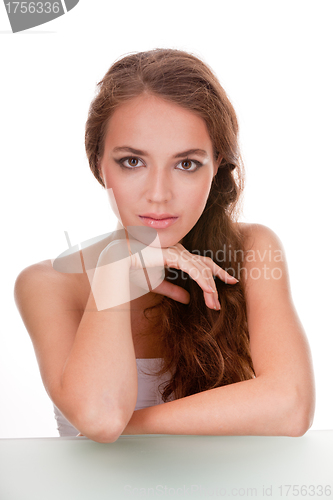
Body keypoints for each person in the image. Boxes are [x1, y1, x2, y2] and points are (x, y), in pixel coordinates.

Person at [14, 48, 315, 443]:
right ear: (99, 163)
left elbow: (290, 407)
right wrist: (115, 270)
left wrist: (130, 431)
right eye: (133, 162)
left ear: (216, 163)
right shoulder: (48, 283)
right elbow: (101, 417)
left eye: (186, 163)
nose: (159, 195)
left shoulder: (250, 250)